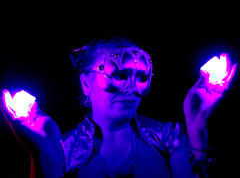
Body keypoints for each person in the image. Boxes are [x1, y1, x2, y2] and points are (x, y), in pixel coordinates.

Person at [0, 37, 237, 178]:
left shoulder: (169, 137)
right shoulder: (63, 149)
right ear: (85, 83)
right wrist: (43, 155)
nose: (131, 87)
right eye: (119, 75)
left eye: (141, 77)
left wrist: (198, 129)